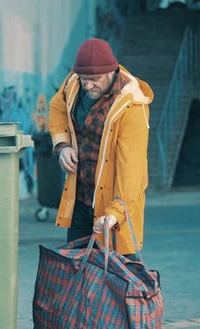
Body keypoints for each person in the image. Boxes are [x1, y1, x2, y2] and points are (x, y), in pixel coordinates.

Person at [48, 37, 153, 259]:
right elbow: (57, 107)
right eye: (84, 79)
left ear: (110, 72)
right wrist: (62, 145)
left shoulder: (132, 105)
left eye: (94, 80)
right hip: (80, 199)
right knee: (78, 275)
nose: (87, 85)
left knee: (120, 280)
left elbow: (131, 169)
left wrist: (115, 212)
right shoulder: (74, 82)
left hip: (114, 207)